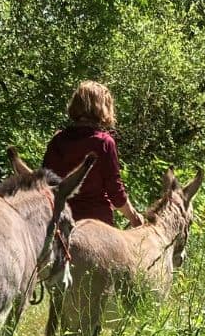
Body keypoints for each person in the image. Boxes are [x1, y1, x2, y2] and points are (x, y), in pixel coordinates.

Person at [41, 80, 144, 227]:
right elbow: (115, 192)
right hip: (96, 225)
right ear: (103, 107)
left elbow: (45, 184)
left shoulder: (58, 140)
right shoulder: (103, 143)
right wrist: (134, 217)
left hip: (61, 222)